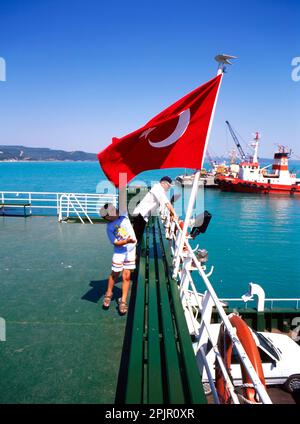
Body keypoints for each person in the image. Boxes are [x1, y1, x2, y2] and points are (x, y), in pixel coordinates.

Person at [100, 203, 136, 315]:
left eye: (115, 209)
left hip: (130, 251)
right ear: (107, 218)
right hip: (119, 252)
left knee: (127, 276)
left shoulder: (124, 215)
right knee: (115, 274)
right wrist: (126, 241)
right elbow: (115, 242)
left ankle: (123, 300)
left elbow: (123, 197)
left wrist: (121, 186)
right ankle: (108, 293)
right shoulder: (109, 227)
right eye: (112, 212)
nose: (115, 212)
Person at [132, 176, 177, 243]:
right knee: (136, 238)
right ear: (163, 183)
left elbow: (165, 203)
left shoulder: (158, 189)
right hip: (140, 215)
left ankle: (135, 250)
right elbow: (167, 203)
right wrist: (175, 214)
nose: (169, 187)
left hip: (142, 216)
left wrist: (171, 213)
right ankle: (133, 251)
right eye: (168, 185)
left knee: (137, 237)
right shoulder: (158, 189)